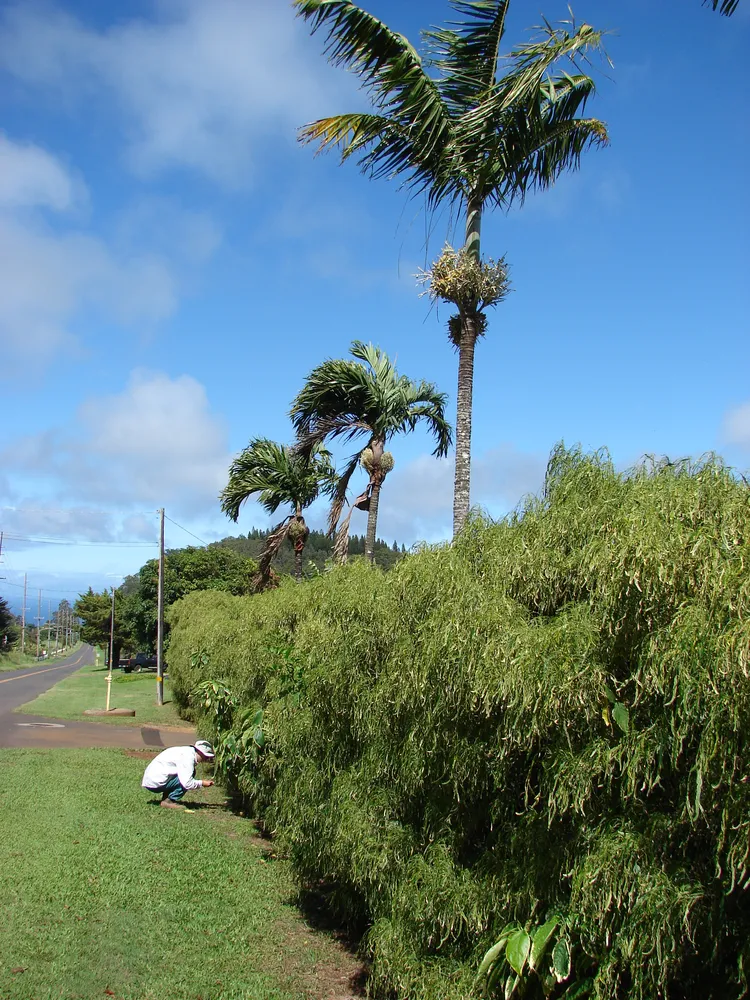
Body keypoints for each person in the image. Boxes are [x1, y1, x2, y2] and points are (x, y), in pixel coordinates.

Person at [141, 739, 216, 809]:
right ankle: (168, 801)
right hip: (155, 783)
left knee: (187, 774)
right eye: (206, 757)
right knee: (188, 776)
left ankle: (166, 798)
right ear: (200, 752)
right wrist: (202, 783)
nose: (206, 759)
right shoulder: (187, 758)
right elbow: (187, 783)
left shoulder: (187, 751)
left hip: (152, 780)